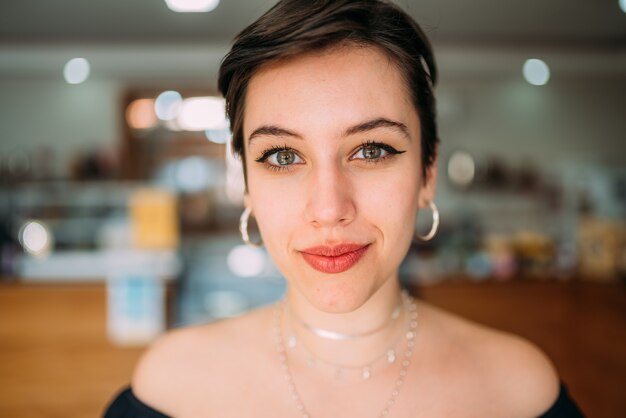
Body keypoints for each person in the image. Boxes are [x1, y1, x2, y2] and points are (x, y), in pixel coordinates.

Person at [104, 0, 584, 416]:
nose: (329, 209)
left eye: (371, 150)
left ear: (428, 171)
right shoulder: (171, 389)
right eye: (283, 157)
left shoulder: (518, 392)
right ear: (247, 186)